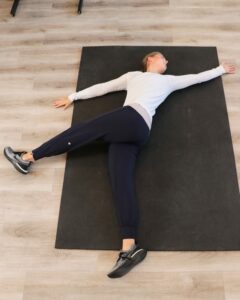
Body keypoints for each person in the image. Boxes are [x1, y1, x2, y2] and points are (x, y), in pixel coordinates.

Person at [3, 51, 236, 278]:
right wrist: (73, 97)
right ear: (151, 59)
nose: (168, 62)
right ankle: (129, 247)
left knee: (81, 131)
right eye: (164, 58)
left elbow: (195, 78)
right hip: (137, 131)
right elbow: (104, 87)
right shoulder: (133, 76)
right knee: (121, 184)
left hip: (132, 118)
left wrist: (220, 70)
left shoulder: (168, 81)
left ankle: (26, 158)